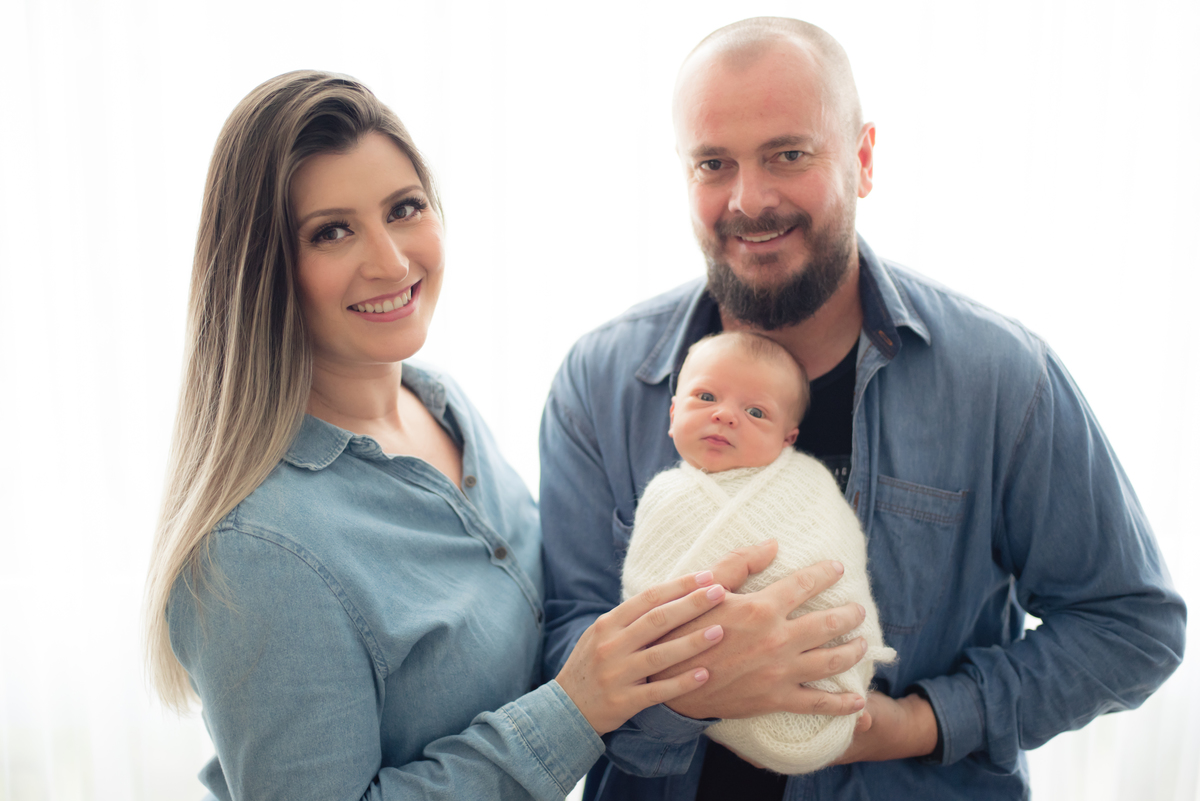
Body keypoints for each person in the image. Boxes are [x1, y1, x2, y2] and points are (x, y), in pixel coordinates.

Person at [538, 16, 1186, 801]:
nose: (749, 199)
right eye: (714, 163)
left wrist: (918, 722)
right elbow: (566, 639)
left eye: (789, 154)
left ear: (863, 159)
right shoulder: (599, 381)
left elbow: (1132, 626)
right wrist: (691, 694)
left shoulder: (1003, 379)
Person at [140, 70, 785, 801]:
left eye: (404, 208)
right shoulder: (255, 550)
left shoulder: (441, 405)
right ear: (264, 271)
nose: (391, 261)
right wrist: (574, 709)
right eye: (332, 231)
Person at [622, 331, 895, 775]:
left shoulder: (809, 484)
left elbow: (838, 559)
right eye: (706, 396)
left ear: (787, 439)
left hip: (818, 663)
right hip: (693, 687)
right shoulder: (664, 495)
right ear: (673, 414)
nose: (725, 415)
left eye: (755, 412)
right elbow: (640, 599)